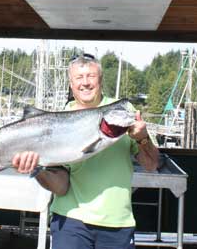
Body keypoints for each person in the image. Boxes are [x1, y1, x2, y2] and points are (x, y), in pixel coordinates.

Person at [12, 54, 160, 249]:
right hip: (70, 221)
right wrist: (37, 169)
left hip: (117, 222)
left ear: (100, 80)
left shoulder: (122, 111)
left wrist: (142, 137)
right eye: (79, 78)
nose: (85, 83)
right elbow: (61, 187)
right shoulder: (59, 120)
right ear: (71, 84)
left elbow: (152, 165)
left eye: (90, 76)